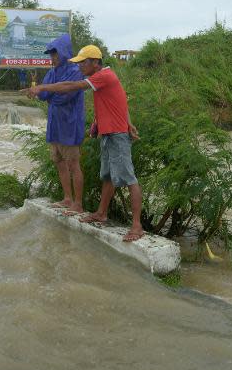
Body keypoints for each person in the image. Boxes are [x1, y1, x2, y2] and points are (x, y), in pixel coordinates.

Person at [24, 44, 144, 242]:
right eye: (78, 62)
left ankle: (137, 226)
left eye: (83, 62)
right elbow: (120, 101)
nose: (79, 66)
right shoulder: (104, 78)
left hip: (116, 135)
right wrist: (120, 123)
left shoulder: (103, 76)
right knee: (107, 177)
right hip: (109, 133)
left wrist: (42, 87)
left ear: (95, 63)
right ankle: (101, 213)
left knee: (129, 179)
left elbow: (70, 87)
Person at [37, 34, 86, 214]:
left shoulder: (75, 71)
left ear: (64, 52)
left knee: (73, 164)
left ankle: (78, 204)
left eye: (55, 54)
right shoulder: (52, 72)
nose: (53, 58)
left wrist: (49, 92)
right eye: (51, 54)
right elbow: (42, 96)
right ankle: (67, 198)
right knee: (59, 162)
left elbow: (64, 97)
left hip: (70, 125)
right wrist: (48, 92)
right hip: (55, 125)